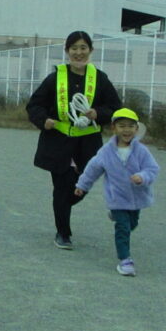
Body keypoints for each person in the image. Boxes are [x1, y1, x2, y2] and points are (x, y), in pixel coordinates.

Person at [26, 30, 122, 250]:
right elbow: (34, 105)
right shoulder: (55, 78)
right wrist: (44, 120)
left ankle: (62, 206)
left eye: (83, 48)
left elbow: (115, 108)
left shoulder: (99, 78)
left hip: (88, 143)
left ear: (90, 50)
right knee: (62, 187)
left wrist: (98, 113)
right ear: (67, 51)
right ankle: (63, 232)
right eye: (74, 48)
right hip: (58, 142)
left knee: (81, 187)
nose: (79, 52)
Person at [74, 109, 160, 276]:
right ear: (114, 128)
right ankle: (125, 260)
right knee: (123, 228)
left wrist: (142, 177)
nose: (126, 130)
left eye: (130, 126)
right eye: (122, 126)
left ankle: (117, 218)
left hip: (137, 198)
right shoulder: (106, 152)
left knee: (131, 225)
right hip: (117, 198)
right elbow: (93, 169)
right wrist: (82, 185)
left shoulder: (142, 151)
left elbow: (153, 169)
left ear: (136, 129)